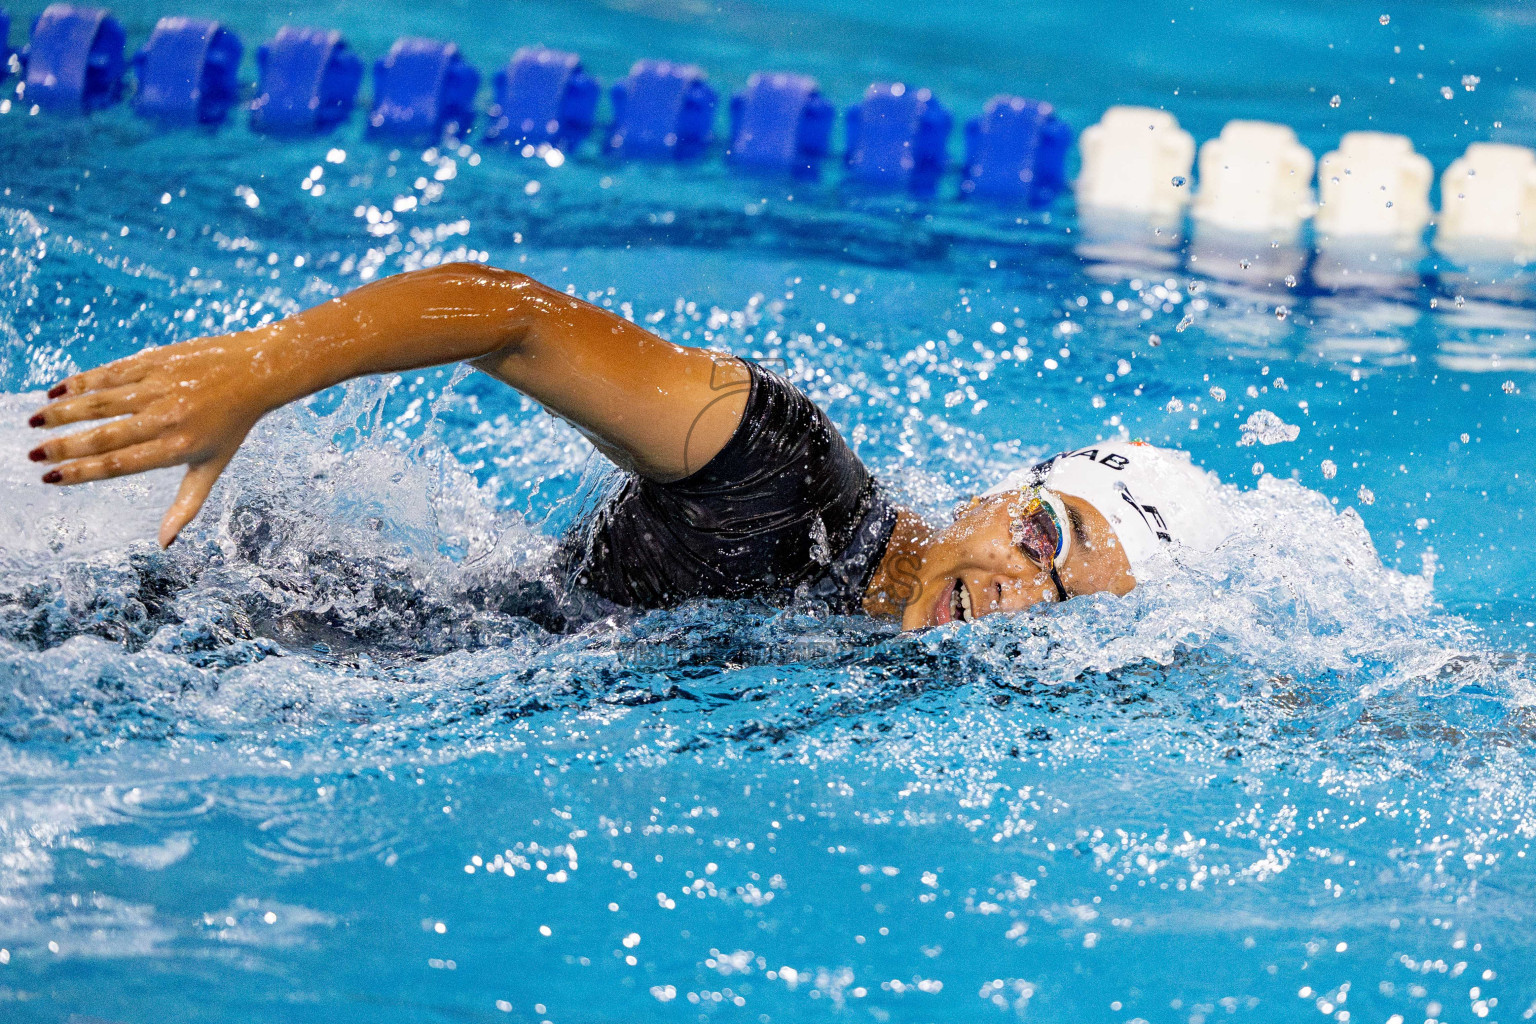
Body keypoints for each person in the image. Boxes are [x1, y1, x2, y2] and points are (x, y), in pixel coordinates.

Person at [24, 264, 1229, 630]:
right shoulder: (783, 472)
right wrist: (255, 371)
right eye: (1043, 533)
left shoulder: (939, 677)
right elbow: (510, 316)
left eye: (1065, 604)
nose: (1022, 587)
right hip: (246, 614)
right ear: (998, 493)